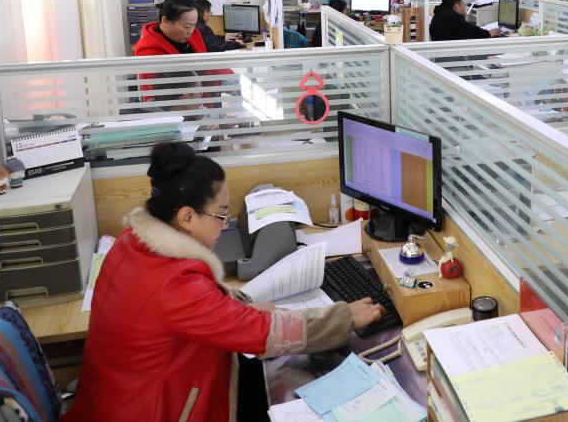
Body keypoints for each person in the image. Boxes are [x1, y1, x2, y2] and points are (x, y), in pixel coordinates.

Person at [62, 143, 384, 422]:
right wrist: (344, 317)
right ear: (187, 217)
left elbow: (195, 304)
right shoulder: (177, 286)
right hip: (149, 411)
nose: (225, 224)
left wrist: (236, 306)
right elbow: (263, 334)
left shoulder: (130, 242)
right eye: (221, 215)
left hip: (111, 401)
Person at [429, 0, 500, 41]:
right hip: (450, 53)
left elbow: (465, 27)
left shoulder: (441, 12)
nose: (464, 6)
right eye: (462, 3)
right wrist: (489, 33)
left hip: (444, 50)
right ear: (456, 6)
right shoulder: (451, 17)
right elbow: (471, 30)